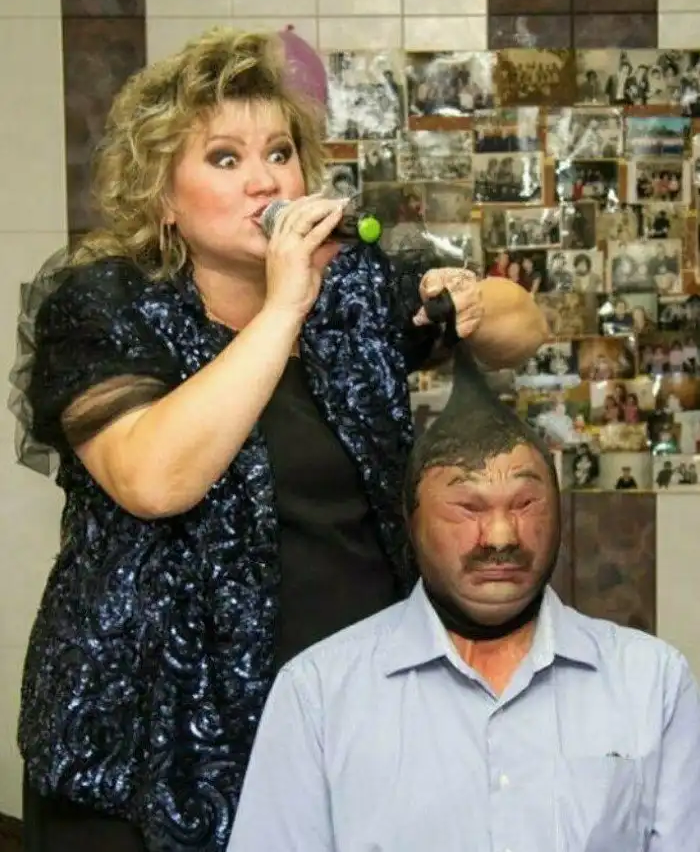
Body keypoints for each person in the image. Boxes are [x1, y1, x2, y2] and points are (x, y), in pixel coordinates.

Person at [8, 28, 547, 852]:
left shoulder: (349, 287)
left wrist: (471, 298)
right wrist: (284, 304)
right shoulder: (104, 306)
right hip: (145, 753)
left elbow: (524, 325)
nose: (264, 180)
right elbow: (153, 478)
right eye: (225, 158)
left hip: (338, 728)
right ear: (163, 196)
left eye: (280, 153)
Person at [228, 341, 700, 852]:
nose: (500, 536)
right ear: (412, 523)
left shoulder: (651, 682)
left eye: (525, 504)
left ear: (560, 513)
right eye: (468, 508)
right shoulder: (319, 694)